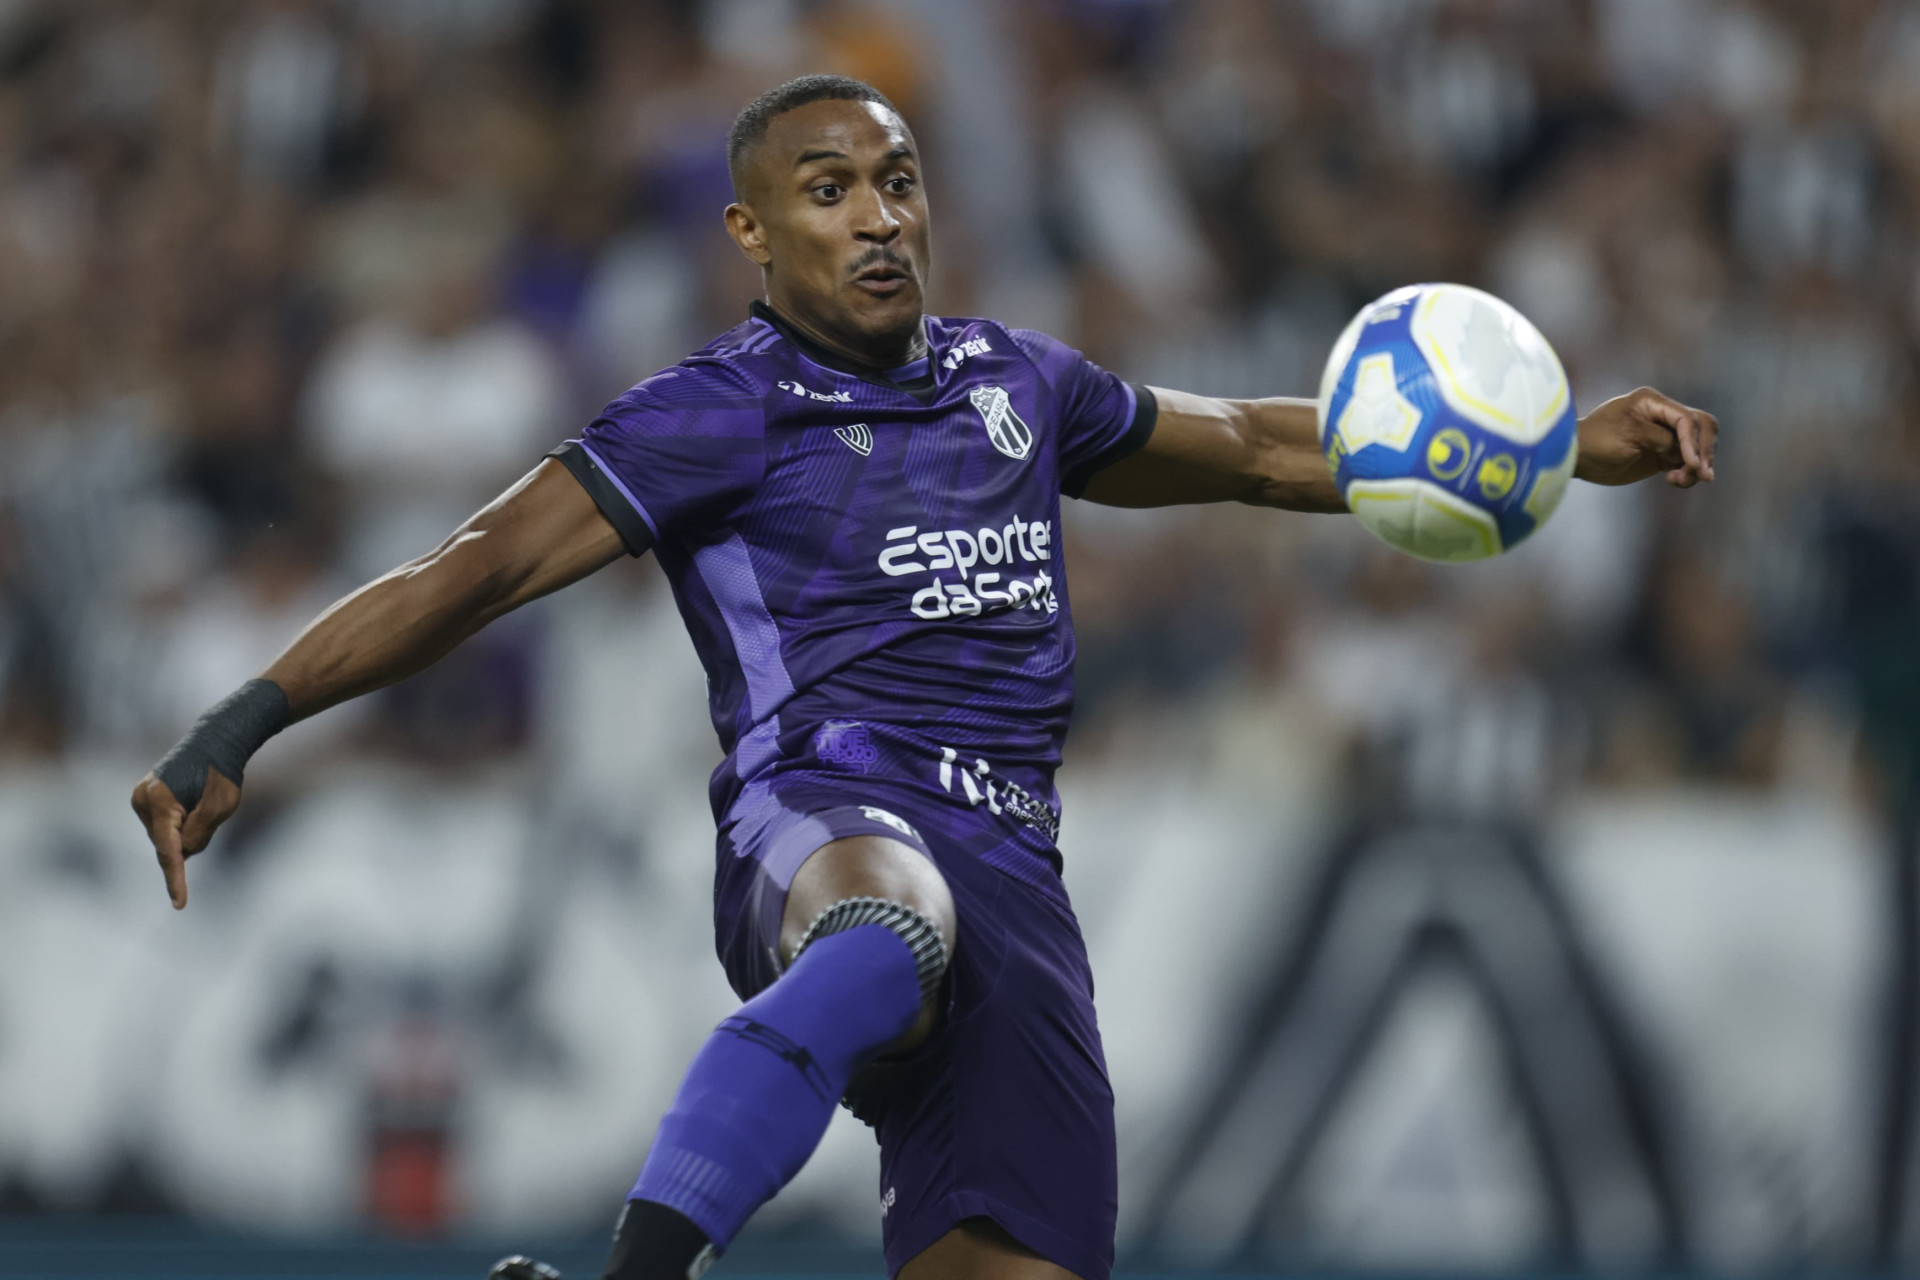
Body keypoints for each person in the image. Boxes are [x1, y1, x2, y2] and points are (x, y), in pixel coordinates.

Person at [130, 75, 1719, 1280]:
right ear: (751, 232)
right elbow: (470, 565)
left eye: (896, 181)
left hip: (1023, 879)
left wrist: (1557, 448)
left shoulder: (1018, 381)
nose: (879, 216)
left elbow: (1251, 449)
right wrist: (245, 719)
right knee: (893, 921)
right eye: (829, 192)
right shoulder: (714, 412)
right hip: (821, 816)